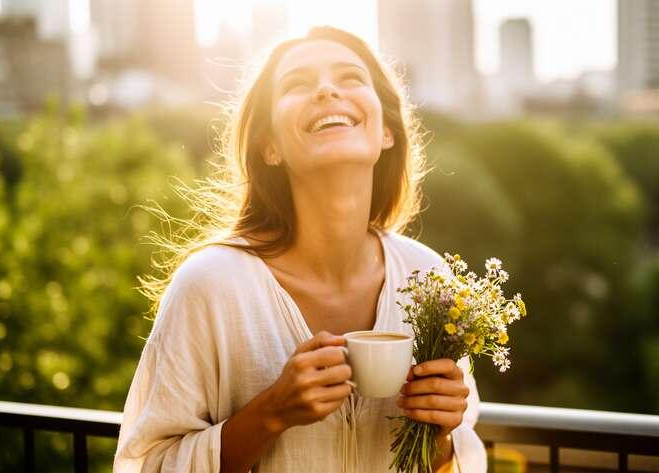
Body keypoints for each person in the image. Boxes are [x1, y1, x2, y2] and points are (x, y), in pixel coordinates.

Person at [113, 26, 487, 472]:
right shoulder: (209, 286)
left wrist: (441, 436)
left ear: (386, 131)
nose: (327, 90)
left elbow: (455, 462)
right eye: (297, 84)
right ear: (271, 147)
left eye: (350, 78)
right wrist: (271, 412)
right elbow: (148, 464)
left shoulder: (429, 278)